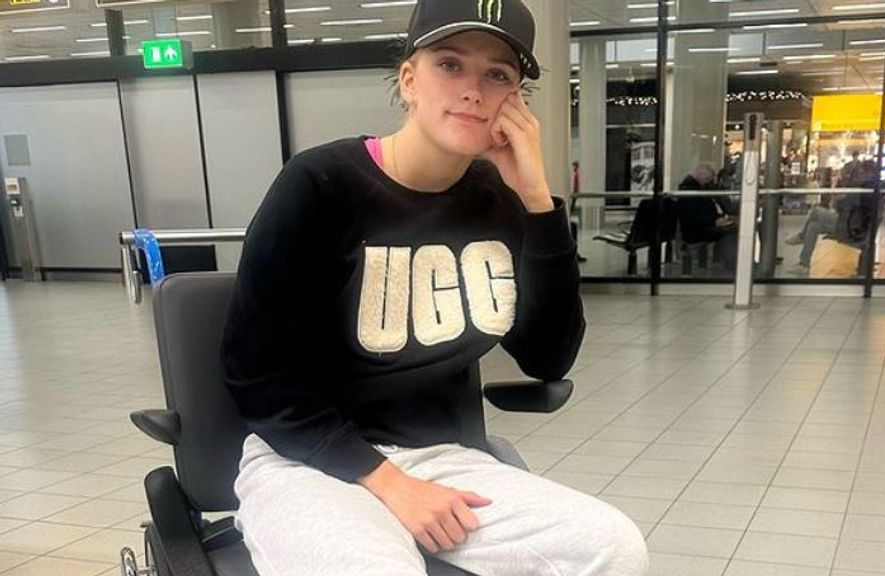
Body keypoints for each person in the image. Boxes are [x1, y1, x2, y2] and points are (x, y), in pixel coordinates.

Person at [219, 2, 649, 576]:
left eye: (497, 74)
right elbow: (258, 376)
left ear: (515, 100)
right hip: (308, 459)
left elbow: (548, 357)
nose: (473, 89)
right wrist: (390, 484)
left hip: (442, 458)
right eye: (449, 64)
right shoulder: (320, 184)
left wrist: (537, 202)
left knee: (613, 547)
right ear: (409, 80)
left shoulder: (498, 202)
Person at [676, 163, 738, 268]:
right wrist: (714, 221)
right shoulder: (690, 191)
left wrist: (718, 219)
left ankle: (731, 261)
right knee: (731, 230)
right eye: (708, 179)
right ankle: (731, 263)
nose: (708, 182)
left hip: (703, 226)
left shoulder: (696, 189)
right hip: (697, 230)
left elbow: (703, 212)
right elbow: (693, 217)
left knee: (731, 228)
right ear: (701, 175)